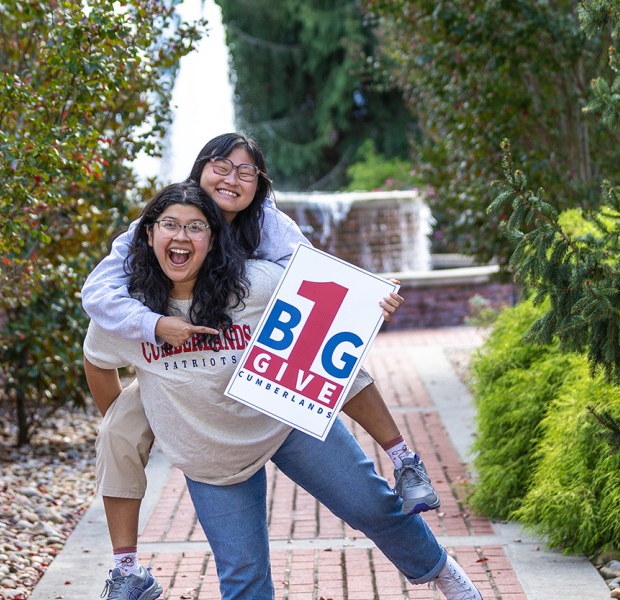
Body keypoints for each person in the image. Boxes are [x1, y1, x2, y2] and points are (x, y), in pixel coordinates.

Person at [82, 182, 482, 600]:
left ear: (213, 237)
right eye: (169, 225)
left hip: (284, 418)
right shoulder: (128, 311)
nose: (181, 236)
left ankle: (441, 571)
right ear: (148, 235)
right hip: (212, 453)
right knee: (244, 577)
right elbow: (97, 361)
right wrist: (155, 419)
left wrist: (373, 301)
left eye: (196, 227)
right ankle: (127, 570)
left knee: (372, 505)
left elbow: (331, 309)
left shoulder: (256, 284)